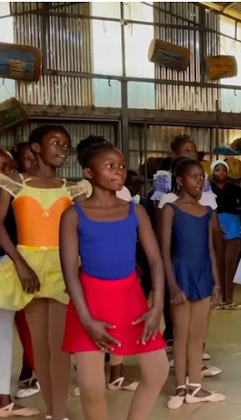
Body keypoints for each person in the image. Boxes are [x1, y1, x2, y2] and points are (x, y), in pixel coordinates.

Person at [60, 136, 169, 420]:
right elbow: (70, 271)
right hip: (90, 302)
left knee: (158, 370)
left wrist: (156, 306)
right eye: (109, 166)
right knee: (91, 388)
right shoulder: (73, 215)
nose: (118, 171)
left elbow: (156, 260)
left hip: (130, 297)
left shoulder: (137, 211)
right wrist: (85, 319)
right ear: (89, 172)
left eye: (121, 165)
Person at [0, 125, 91, 420]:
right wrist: (20, 263)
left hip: (63, 268)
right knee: (40, 347)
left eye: (66, 145)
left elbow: (90, 221)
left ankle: (59, 412)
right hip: (29, 267)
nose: (63, 149)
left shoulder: (71, 188)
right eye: (56, 143)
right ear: (36, 148)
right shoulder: (14, 183)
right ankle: (53, 412)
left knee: (60, 346)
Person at [159, 158, 225, 409]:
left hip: (203, 274)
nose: (200, 181)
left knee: (198, 334)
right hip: (181, 274)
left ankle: (195, 387)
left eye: (202, 177)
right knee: (181, 333)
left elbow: (210, 249)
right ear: (180, 180)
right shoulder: (170, 209)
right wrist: (172, 285)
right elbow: (164, 251)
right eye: (194, 177)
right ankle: (179, 386)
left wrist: (217, 283)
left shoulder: (207, 211)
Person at [0, 149, 38, 417]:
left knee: (3, 335)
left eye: (8, 167)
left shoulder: (12, 194)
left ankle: (3, 400)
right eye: (1, 167)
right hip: (8, 265)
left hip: (6, 267)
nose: (6, 173)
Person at [210, 160, 241, 310]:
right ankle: (218, 300)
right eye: (217, 170)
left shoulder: (234, 188)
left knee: (230, 263)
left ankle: (229, 300)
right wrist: (213, 223)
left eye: (223, 170)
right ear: (213, 172)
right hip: (215, 224)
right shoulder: (208, 188)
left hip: (232, 224)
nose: (221, 173)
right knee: (217, 263)